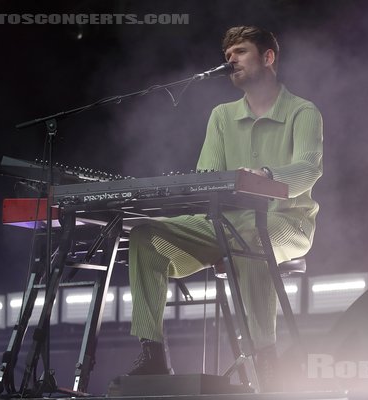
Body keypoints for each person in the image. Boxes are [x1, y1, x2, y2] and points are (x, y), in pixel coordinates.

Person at [126, 25, 323, 391]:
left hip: (287, 223)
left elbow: (309, 169)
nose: (231, 59)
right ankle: (152, 352)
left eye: (242, 51)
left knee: (249, 239)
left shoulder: (303, 112)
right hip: (222, 223)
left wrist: (265, 176)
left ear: (268, 57)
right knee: (146, 236)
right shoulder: (221, 115)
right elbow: (207, 176)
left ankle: (266, 358)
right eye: (228, 54)